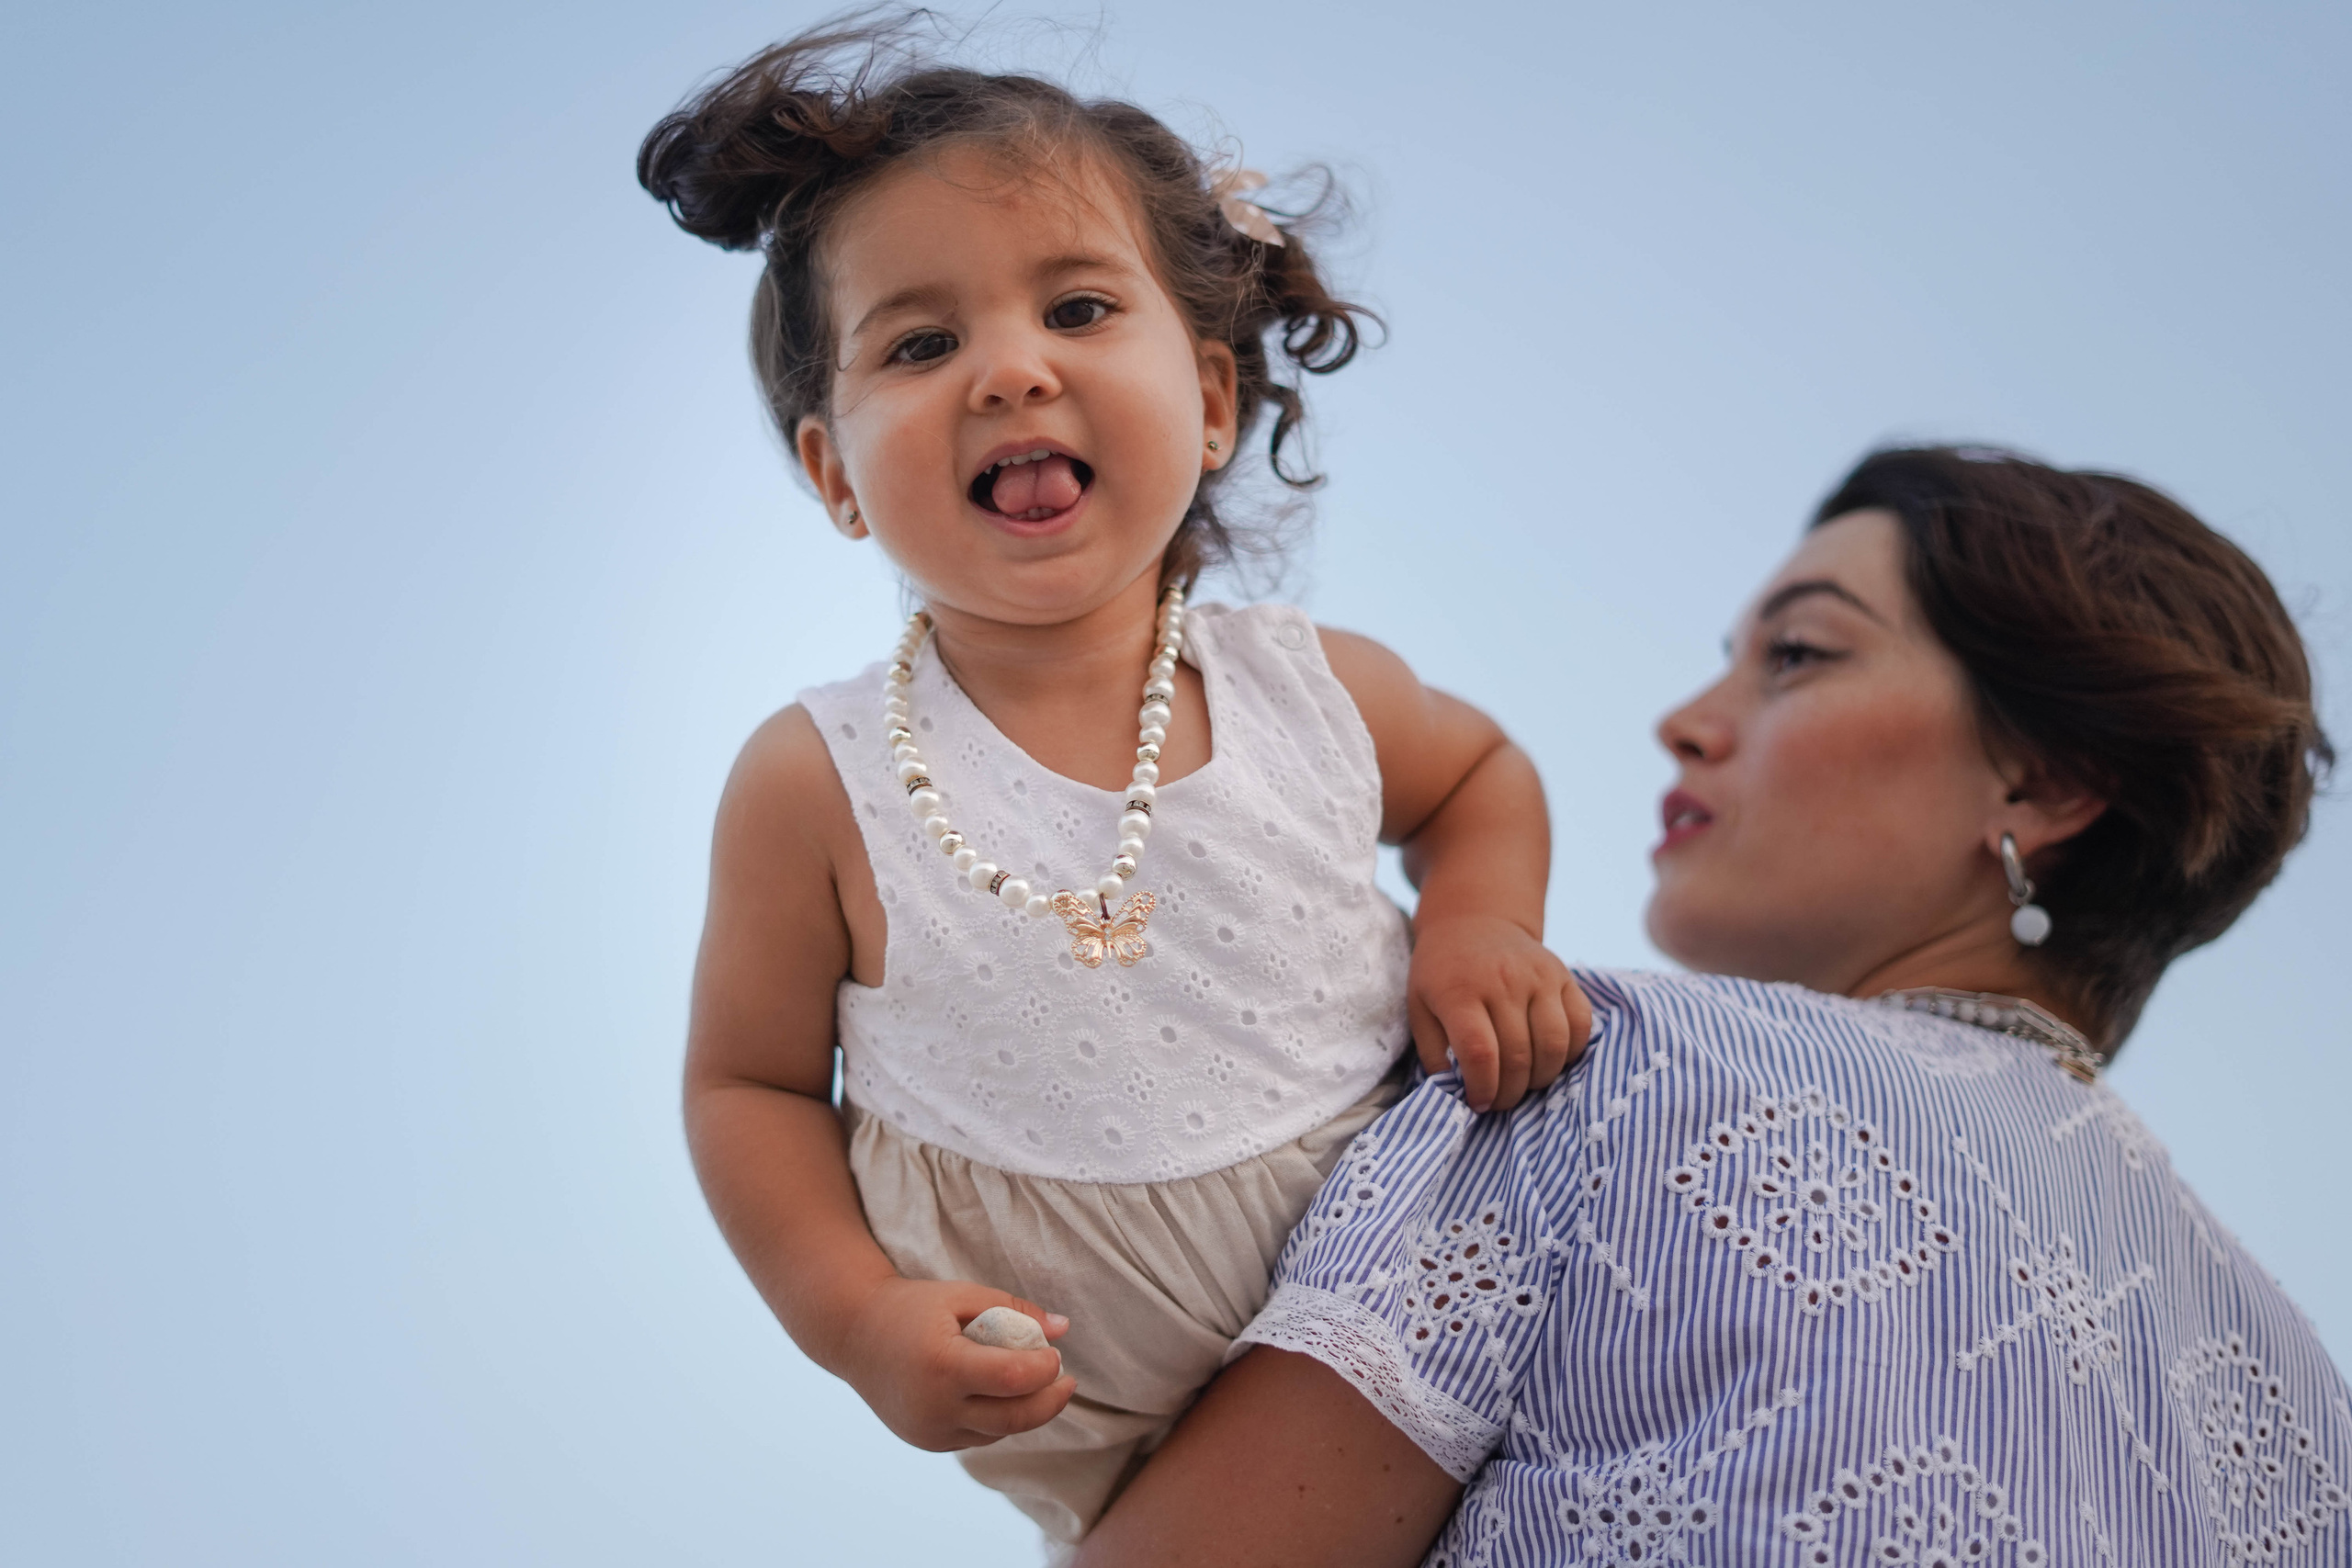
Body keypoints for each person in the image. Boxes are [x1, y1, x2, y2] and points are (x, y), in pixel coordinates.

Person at [638, 16, 1589, 1552]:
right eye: (921, 343)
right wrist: (860, 1322)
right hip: (1117, 1454)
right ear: (833, 473)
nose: (1011, 370)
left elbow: (1481, 773)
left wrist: (1478, 924)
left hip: (1437, 1302)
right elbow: (747, 1087)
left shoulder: (1308, 689)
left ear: (1210, 398)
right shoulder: (819, 781)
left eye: (1078, 307)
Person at [1076, 447, 2339, 1567]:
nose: (1684, 723)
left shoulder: (1611, 1066)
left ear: (2048, 782)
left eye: (1799, 653)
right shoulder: (2309, 1405)